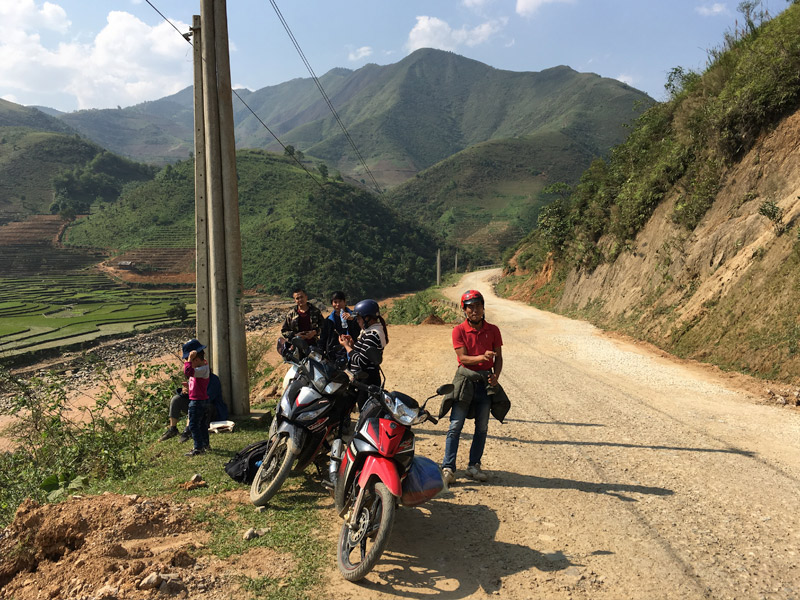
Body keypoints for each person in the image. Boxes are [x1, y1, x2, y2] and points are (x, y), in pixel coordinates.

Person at [440, 290, 509, 485]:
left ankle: (473, 466)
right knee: (455, 426)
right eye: (470, 307)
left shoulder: (493, 330)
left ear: (483, 307)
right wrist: (482, 358)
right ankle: (448, 467)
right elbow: (462, 358)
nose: (475, 310)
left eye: (478, 305)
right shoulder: (458, 330)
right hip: (464, 383)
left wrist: (496, 375)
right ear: (464, 310)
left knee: (482, 428)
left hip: (485, 384)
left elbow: (499, 357)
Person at [159, 369, 225, 443]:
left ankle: (188, 430)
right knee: (176, 399)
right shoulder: (194, 378)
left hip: (210, 408)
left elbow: (207, 398)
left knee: (195, 404)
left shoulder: (213, 380)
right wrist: (184, 392)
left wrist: (191, 392)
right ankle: (172, 428)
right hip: (196, 403)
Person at [339, 299, 389, 389]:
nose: (357, 321)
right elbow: (364, 354)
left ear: (367, 318)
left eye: (358, 318)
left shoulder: (372, 335)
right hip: (364, 379)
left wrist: (347, 347)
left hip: (367, 381)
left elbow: (361, 362)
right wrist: (352, 345)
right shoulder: (369, 331)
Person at [182, 338, 211, 457]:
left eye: (189, 360)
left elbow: (187, 372)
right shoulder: (201, 369)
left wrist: (189, 360)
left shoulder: (202, 369)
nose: (188, 363)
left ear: (197, 359)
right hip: (200, 400)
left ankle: (198, 447)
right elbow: (192, 378)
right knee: (202, 424)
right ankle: (205, 444)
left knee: (193, 425)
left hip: (197, 402)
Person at [320, 291, 361, 360]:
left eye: (340, 301)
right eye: (335, 302)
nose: (338, 304)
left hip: (353, 351)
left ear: (345, 302)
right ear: (332, 304)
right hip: (335, 354)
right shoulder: (328, 320)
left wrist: (352, 319)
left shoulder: (355, 315)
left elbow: (363, 328)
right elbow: (323, 337)